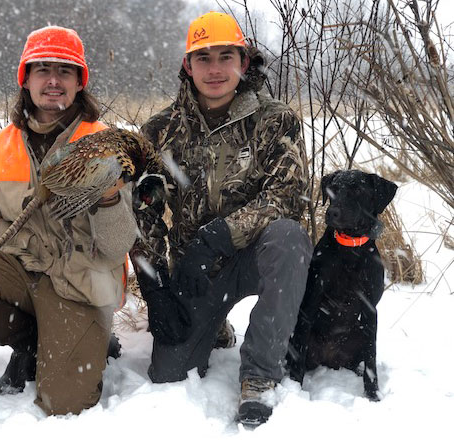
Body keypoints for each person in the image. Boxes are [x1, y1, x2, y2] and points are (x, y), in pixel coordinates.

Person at [0, 25, 137, 416]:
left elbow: (116, 246)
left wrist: (109, 197)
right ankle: (34, 340)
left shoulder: (106, 143)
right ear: (26, 80)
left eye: (65, 71)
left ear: (79, 82)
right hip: (20, 271)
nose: (53, 81)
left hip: (80, 283)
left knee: (63, 404)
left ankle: (84, 337)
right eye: (42, 70)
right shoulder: (0, 145)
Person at [131, 12, 312, 426]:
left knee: (290, 238)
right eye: (203, 58)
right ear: (187, 66)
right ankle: (214, 328)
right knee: (169, 374)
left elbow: (289, 194)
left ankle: (260, 374)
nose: (214, 69)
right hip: (196, 270)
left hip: (256, 256)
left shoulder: (274, 119)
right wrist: (155, 286)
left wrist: (220, 236)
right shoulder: (160, 130)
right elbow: (144, 213)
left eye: (225, 56)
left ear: (244, 62)